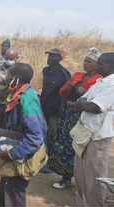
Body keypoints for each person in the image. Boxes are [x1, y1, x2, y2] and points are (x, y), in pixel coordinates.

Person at [47, 47, 102, 189]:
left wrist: (83, 91)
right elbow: (62, 92)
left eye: (89, 61)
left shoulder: (100, 81)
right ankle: (65, 178)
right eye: (85, 61)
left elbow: (97, 101)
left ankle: (81, 183)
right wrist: (68, 88)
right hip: (68, 114)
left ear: (97, 64)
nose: (85, 64)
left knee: (80, 147)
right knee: (64, 144)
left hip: (83, 116)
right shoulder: (77, 75)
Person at [0, 63, 47, 207]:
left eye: (9, 76)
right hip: (14, 155)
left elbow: (35, 136)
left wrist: (12, 154)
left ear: (16, 79)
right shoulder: (18, 94)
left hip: (20, 157)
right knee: (5, 190)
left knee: (13, 195)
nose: (6, 78)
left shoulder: (27, 99)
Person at [73, 52, 114, 207]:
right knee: (80, 176)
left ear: (112, 66)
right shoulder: (100, 82)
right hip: (85, 133)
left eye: (101, 63)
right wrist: (86, 105)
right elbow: (80, 101)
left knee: (94, 178)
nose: (97, 66)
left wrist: (86, 105)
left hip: (98, 137)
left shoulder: (112, 84)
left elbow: (92, 106)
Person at [40, 48, 71, 173]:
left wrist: (62, 111)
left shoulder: (64, 74)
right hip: (44, 106)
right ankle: (41, 160)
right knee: (42, 133)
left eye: (53, 56)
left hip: (56, 109)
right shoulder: (45, 70)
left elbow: (67, 93)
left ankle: (50, 162)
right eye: (49, 55)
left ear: (60, 59)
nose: (50, 58)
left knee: (52, 136)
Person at [0, 47, 18, 132]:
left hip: (11, 103)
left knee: (8, 127)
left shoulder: (19, 70)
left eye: (11, 58)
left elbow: (22, 87)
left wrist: (10, 84)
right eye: (7, 58)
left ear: (17, 58)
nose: (8, 60)